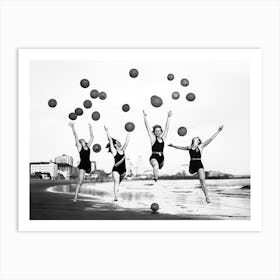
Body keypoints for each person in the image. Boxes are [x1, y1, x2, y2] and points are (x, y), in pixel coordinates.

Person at [168, 126, 224, 203]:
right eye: (195, 138)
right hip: (192, 165)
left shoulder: (201, 146)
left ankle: (207, 197)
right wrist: (173, 145)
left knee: (202, 181)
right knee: (191, 172)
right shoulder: (189, 147)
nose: (196, 138)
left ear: (199, 141)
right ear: (193, 140)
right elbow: (180, 147)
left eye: (197, 138)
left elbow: (210, 139)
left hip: (199, 164)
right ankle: (194, 173)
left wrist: (218, 131)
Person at [143, 110, 172, 182]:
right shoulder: (153, 138)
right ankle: (155, 180)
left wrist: (168, 117)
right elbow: (147, 128)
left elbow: (167, 128)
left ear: (161, 131)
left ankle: (157, 172)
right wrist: (145, 117)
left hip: (161, 158)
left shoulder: (163, 138)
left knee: (160, 167)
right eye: (156, 131)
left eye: (159, 131)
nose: (157, 132)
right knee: (156, 166)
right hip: (154, 157)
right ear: (154, 132)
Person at [68, 122, 94, 203]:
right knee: (80, 181)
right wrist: (72, 127)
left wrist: (90, 128)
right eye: (80, 141)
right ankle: (75, 198)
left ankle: (85, 179)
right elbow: (76, 136)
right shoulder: (80, 148)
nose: (81, 140)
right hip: (82, 165)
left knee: (84, 179)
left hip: (88, 165)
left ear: (84, 142)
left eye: (82, 140)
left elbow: (92, 137)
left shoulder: (88, 146)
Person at [104, 126, 130, 201]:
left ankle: (116, 191)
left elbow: (127, 142)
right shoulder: (114, 151)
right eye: (118, 142)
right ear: (115, 144)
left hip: (123, 171)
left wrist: (129, 131)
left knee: (118, 183)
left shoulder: (123, 150)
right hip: (116, 170)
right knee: (116, 182)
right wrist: (107, 131)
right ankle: (115, 197)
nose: (119, 142)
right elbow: (110, 141)